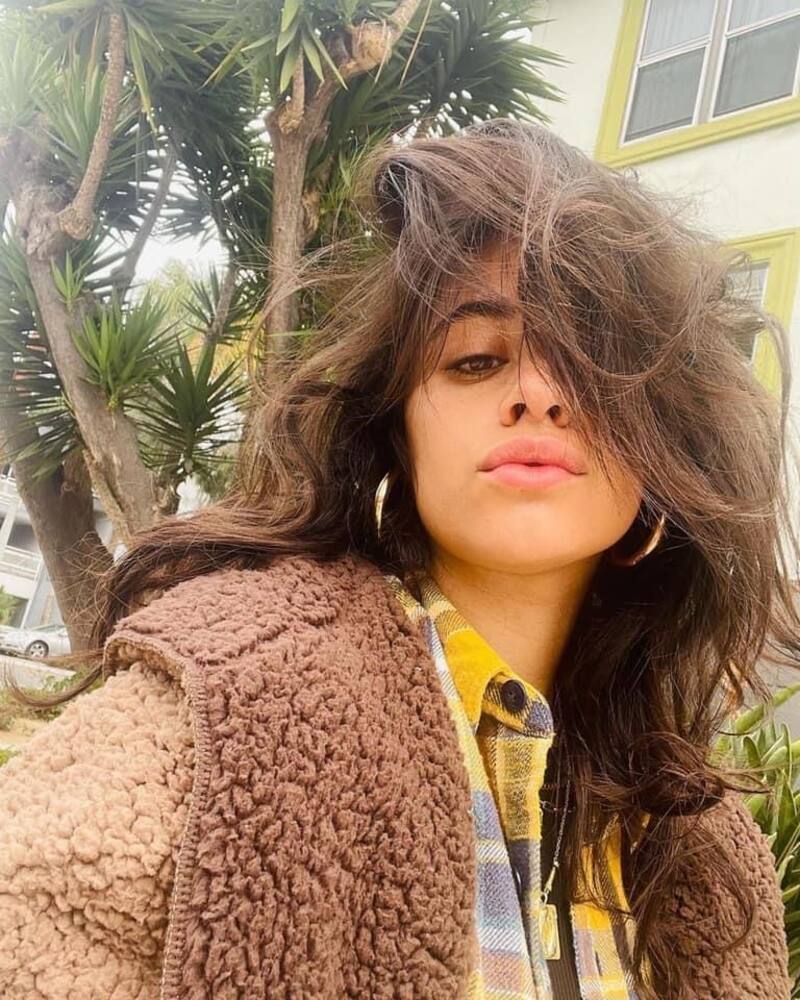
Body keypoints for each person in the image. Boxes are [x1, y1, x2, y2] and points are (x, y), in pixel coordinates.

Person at [0, 118, 797, 1000]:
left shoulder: (704, 834)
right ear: (397, 436)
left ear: (664, 450)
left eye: (590, 359)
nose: (537, 393)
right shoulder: (233, 699)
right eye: (476, 360)